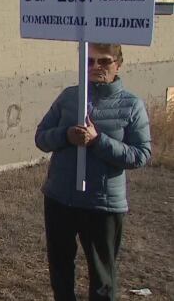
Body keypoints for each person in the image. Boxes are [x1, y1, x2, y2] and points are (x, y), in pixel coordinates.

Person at [35, 43, 151, 301]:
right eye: (89, 62)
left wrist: (99, 141)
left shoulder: (131, 105)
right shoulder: (69, 97)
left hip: (103, 204)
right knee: (61, 269)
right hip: (61, 198)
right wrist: (65, 135)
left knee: (102, 278)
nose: (95, 67)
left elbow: (140, 154)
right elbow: (41, 138)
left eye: (104, 61)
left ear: (118, 65)